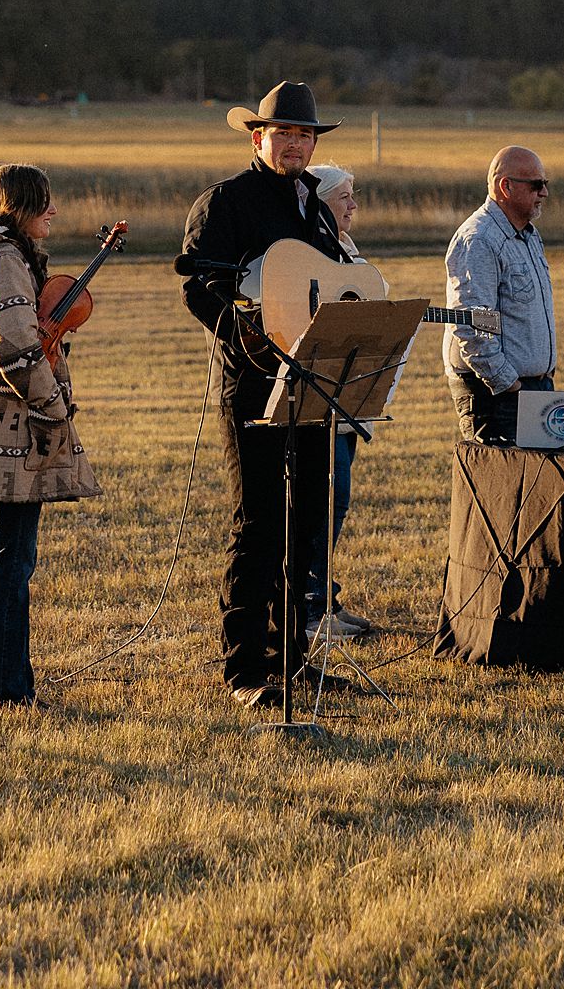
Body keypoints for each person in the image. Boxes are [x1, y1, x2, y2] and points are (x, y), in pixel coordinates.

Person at [178, 80, 346, 708]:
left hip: (312, 383)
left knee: (306, 524)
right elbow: (198, 286)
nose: (296, 144)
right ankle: (245, 668)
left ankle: (292, 659)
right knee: (258, 525)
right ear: (258, 139)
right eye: (284, 134)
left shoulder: (316, 207)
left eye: (305, 135)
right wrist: (245, 330)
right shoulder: (225, 202)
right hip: (251, 385)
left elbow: (327, 285)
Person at [0, 162, 100, 705]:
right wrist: (52, 406)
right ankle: (2, 691)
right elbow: (14, 350)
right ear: (17, 209)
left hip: (8, 424)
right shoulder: (6, 264)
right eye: (43, 202)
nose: (52, 211)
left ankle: (6, 686)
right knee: (12, 563)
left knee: (10, 559)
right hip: (17, 428)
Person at [303, 164, 375, 649]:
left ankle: (324, 599)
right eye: (344, 196)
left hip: (349, 397)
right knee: (325, 501)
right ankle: (310, 608)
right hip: (320, 398)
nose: (353, 205)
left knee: (337, 501)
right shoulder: (307, 253)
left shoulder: (346, 250)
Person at [442, 144, 557, 443]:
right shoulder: (479, 239)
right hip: (495, 396)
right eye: (536, 185)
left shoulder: (528, 235)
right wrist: (508, 384)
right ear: (506, 187)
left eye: (545, 183)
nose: (544, 192)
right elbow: (471, 323)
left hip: (530, 389)